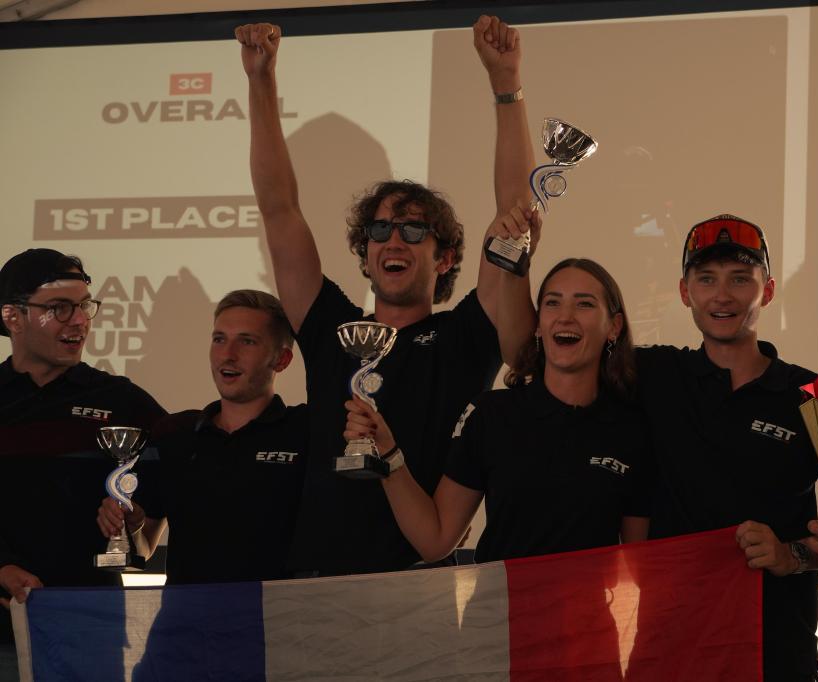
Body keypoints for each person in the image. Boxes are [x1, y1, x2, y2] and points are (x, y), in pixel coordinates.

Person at [235, 16, 537, 576]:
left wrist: (506, 84)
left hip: (413, 589)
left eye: (413, 230)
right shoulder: (332, 327)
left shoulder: (465, 336)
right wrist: (260, 80)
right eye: (379, 230)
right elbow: (279, 208)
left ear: (444, 258)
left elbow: (514, 214)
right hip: (314, 585)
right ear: (366, 251)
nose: (393, 240)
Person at [346, 258, 650, 680]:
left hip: (585, 646)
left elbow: (641, 566)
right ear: (538, 325)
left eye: (584, 304)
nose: (565, 316)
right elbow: (435, 540)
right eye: (552, 303)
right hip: (494, 640)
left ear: (613, 326)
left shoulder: (631, 431)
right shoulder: (493, 415)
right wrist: (387, 453)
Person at [631, 215, 818, 682]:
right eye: (706, 279)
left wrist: (794, 555)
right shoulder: (655, 376)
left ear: (767, 291)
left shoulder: (815, 397)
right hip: (669, 657)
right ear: (685, 292)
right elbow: (549, 348)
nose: (722, 295)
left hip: (776, 659)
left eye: (739, 278)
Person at [0, 249, 165, 677]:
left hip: (90, 630)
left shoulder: (123, 401)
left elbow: (151, 527)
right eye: (60, 308)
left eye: (85, 305)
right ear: (13, 317)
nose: (79, 321)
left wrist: (133, 520)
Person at [96, 290, 307, 585]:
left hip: (276, 613)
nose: (228, 354)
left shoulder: (305, 432)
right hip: (186, 613)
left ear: (281, 359)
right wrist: (130, 527)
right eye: (219, 339)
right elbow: (143, 549)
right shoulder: (175, 434)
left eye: (247, 341)